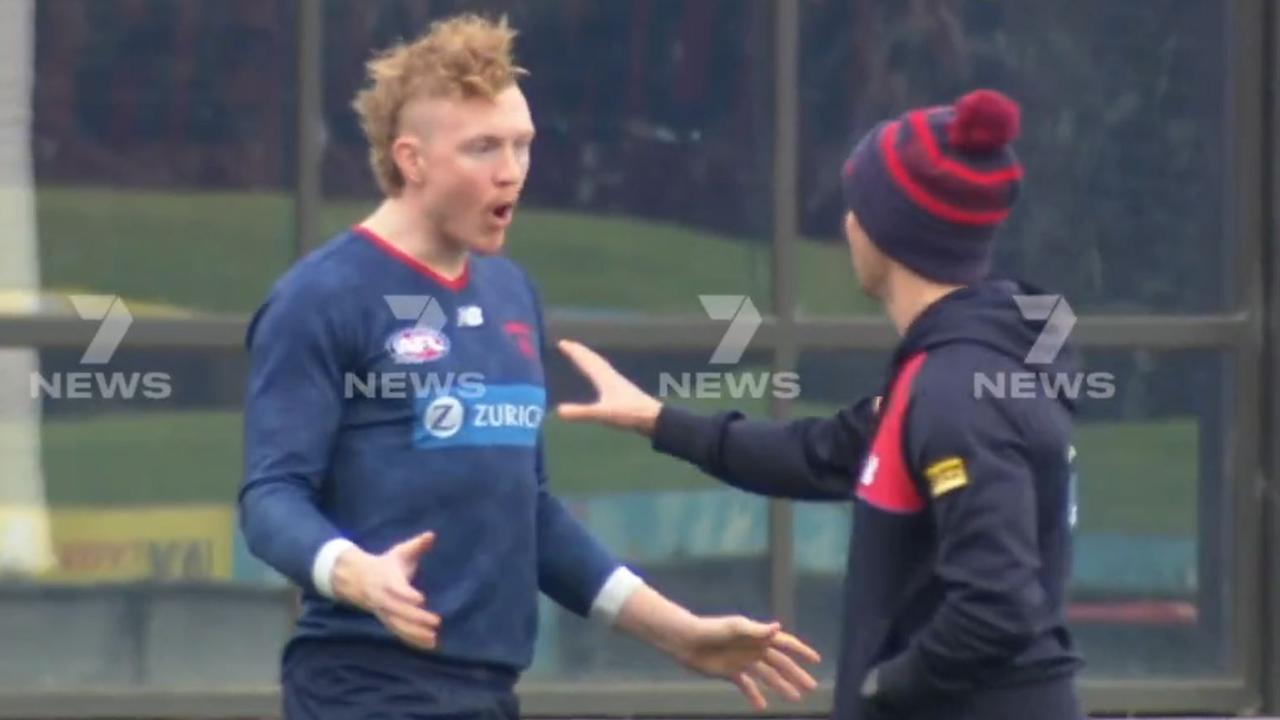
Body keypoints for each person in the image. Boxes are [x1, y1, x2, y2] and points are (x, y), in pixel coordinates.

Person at [238, 14, 819, 720]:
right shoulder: (320, 298)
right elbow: (270, 500)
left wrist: (681, 636)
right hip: (362, 688)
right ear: (412, 159)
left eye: (522, 144)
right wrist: (355, 574)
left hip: (490, 692)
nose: (511, 170)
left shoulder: (511, 291)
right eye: (483, 148)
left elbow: (531, 516)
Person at [557, 89, 1086, 720]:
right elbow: (818, 453)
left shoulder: (959, 393)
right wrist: (659, 420)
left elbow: (997, 605)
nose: (847, 225)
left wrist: (882, 688)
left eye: (856, 208)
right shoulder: (949, 371)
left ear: (888, 232)